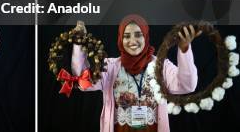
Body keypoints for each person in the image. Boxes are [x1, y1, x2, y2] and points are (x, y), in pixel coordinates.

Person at [70, 15, 201, 132]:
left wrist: (184, 50)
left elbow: (187, 85)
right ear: (121, 39)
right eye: (127, 36)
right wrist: (78, 43)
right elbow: (83, 81)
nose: (132, 41)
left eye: (138, 34)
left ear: (146, 36)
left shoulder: (161, 66)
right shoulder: (109, 67)